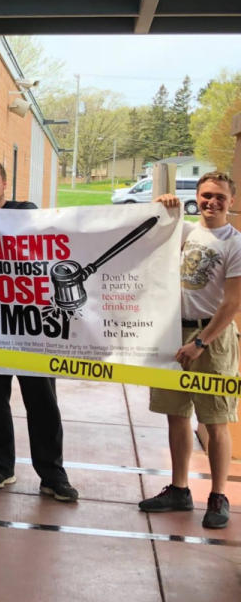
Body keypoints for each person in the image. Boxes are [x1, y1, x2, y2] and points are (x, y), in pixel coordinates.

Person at [0, 158, 78, 502]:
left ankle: (53, 474)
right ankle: (1, 467)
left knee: (42, 402)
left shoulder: (25, 212)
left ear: (4, 182)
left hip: (32, 329)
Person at [139, 171, 241, 529]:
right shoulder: (184, 231)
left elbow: (232, 304)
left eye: (219, 197)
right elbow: (147, 230)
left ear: (231, 202)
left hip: (210, 338)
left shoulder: (235, 243)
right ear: (196, 198)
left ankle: (217, 495)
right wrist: (160, 205)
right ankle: (180, 489)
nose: (211, 202)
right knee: (176, 415)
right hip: (173, 336)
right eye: (205, 196)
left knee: (214, 420)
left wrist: (201, 342)